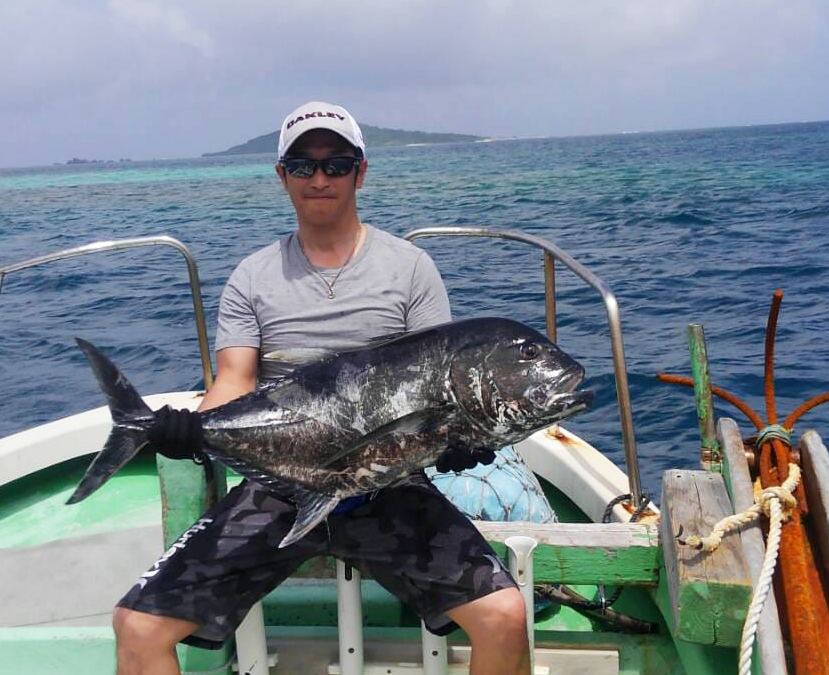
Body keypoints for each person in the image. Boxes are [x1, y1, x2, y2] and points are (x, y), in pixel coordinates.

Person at [111, 101, 531, 675]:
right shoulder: (253, 276)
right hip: (280, 488)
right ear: (282, 176)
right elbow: (234, 381)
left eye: (336, 163)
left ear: (360, 171)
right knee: (136, 628)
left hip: (389, 486)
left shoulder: (410, 269)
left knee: (506, 617)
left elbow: (437, 379)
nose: (321, 178)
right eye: (303, 166)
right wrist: (191, 429)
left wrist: (456, 435)